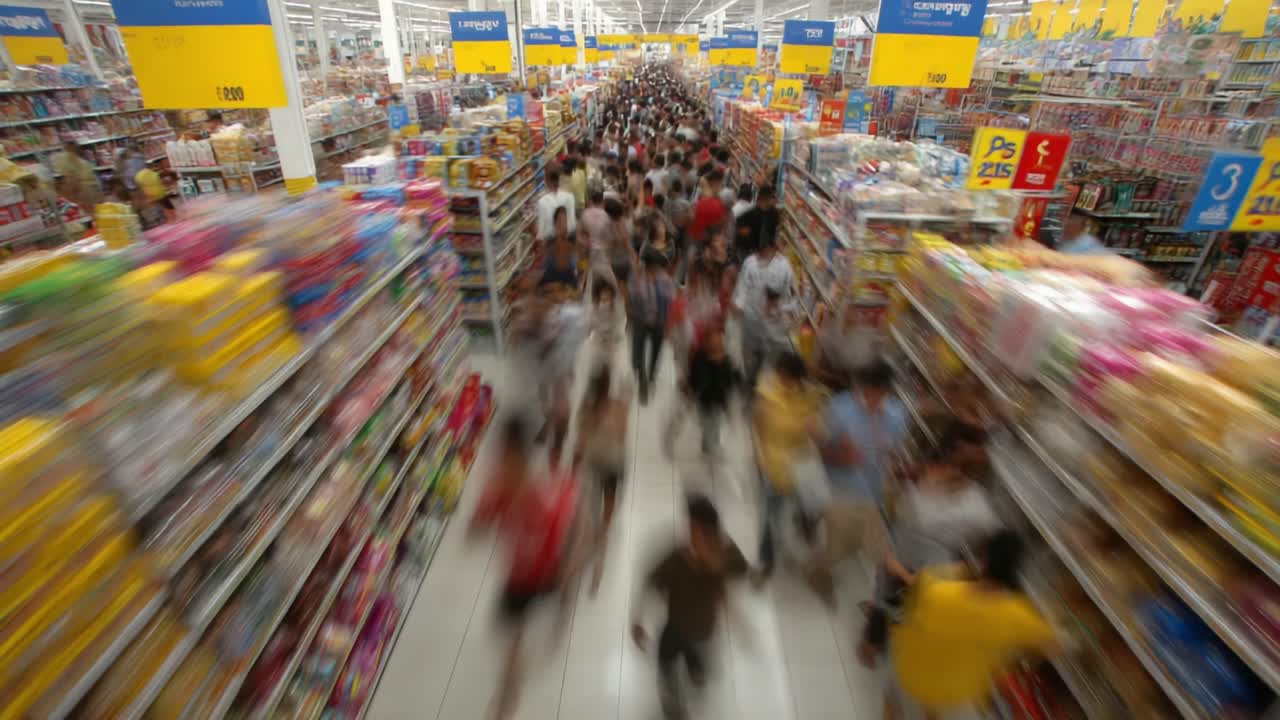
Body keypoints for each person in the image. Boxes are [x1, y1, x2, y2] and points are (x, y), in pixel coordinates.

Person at [469, 418, 582, 720]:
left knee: (539, 619)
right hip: (518, 581)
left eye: (508, 456)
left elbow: (572, 528)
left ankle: (507, 697)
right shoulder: (499, 491)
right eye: (500, 455)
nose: (502, 464)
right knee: (511, 641)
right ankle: (508, 697)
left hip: (548, 576)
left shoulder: (549, 493)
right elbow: (476, 527)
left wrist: (569, 567)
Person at [887, 530, 1057, 720]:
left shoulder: (938, 592)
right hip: (959, 690)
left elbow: (910, 601)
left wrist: (897, 568)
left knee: (893, 694)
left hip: (913, 673)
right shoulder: (1018, 615)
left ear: (984, 560)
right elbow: (1051, 647)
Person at [631, 495, 749, 720]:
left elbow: (743, 569)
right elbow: (651, 581)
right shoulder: (677, 558)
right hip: (677, 626)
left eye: (696, 527)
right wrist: (638, 619)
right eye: (691, 527)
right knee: (667, 665)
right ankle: (676, 707)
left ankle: (697, 669)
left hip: (703, 628)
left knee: (694, 653)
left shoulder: (724, 551)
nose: (691, 533)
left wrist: (717, 564)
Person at [751, 352, 826, 583]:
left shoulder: (811, 397)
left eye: (789, 377)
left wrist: (816, 429)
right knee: (770, 516)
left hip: (803, 464)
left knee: (813, 505)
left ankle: (804, 524)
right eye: (781, 375)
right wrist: (757, 457)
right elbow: (757, 427)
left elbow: (819, 430)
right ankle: (766, 560)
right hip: (774, 466)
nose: (784, 380)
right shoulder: (766, 395)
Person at [573, 366, 631, 592]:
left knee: (599, 509)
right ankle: (599, 541)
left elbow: (580, 441)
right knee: (601, 508)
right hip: (607, 464)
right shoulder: (614, 407)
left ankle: (598, 548)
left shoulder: (589, 409)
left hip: (601, 465)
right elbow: (621, 435)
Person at [733, 239, 796, 389]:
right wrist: (739, 304)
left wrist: (781, 311)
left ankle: (761, 388)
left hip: (773, 325)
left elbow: (791, 297)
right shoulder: (750, 262)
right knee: (749, 356)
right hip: (751, 319)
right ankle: (749, 382)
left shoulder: (785, 267)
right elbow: (742, 286)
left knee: (768, 364)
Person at [684, 324, 738, 458]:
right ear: (707, 341)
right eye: (713, 340)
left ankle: (712, 443)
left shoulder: (727, 359)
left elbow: (731, 380)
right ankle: (708, 443)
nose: (716, 343)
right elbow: (692, 376)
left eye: (718, 340)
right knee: (707, 422)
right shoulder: (699, 356)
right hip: (704, 398)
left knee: (717, 421)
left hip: (720, 398)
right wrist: (691, 390)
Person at [628, 248, 674, 404]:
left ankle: (652, 374)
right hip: (641, 321)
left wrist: (668, 324)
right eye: (654, 266)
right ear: (647, 266)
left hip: (658, 322)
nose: (657, 270)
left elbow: (669, 303)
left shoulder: (665, 280)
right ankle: (642, 380)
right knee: (638, 356)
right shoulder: (637, 280)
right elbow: (632, 300)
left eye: (658, 267)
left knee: (656, 351)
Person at [51, 140, 101, 213]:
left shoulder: (63, 160)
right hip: (86, 197)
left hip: (83, 196)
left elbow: (72, 182)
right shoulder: (83, 163)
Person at [733, 184, 779, 262]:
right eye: (772, 198)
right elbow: (738, 230)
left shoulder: (773, 214)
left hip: (762, 252)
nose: (774, 201)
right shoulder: (750, 214)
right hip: (748, 251)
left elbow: (772, 232)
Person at [540, 207, 578, 291]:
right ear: (555, 224)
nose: (563, 225)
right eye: (560, 221)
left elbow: (575, 269)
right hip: (549, 287)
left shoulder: (572, 242)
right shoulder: (548, 243)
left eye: (565, 221)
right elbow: (544, 269)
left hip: (568, 287)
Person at [536, 166, 576, 241]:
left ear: (547, 181)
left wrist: (539, 240)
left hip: (551, 242)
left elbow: (542, 229)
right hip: (568, 239)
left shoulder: (542, 201)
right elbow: (572, 221)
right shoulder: (570, 197)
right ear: (559, 179)